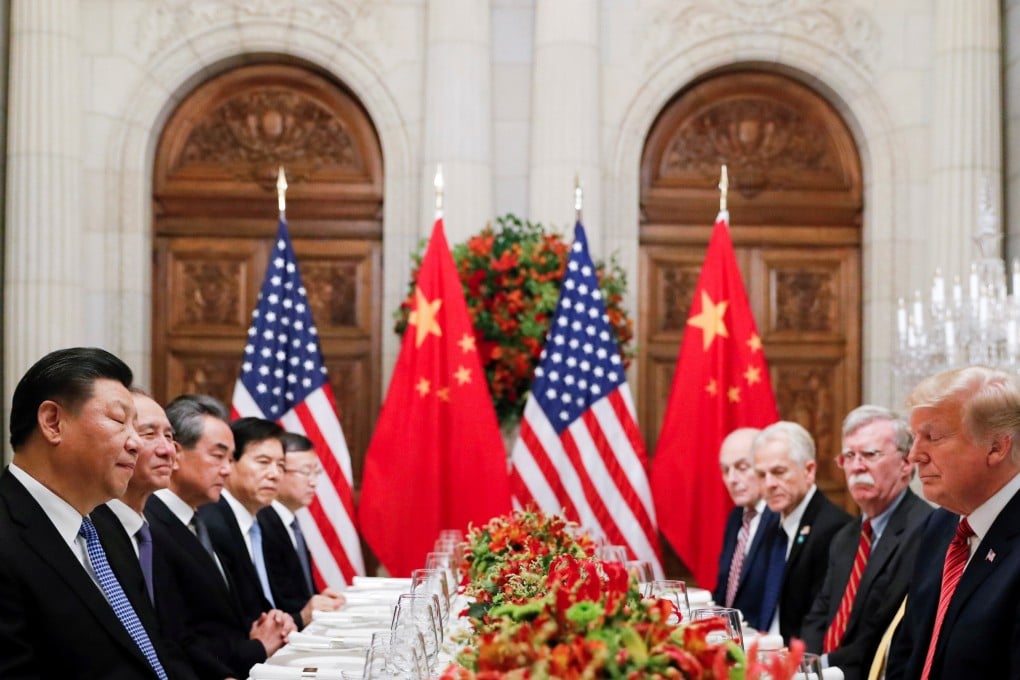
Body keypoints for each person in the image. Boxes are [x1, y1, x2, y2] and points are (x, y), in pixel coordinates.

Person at [0, 347, 174, 678]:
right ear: (53, 422)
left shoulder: (105, 525)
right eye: (120, 420)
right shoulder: (8, 538)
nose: (136, 443)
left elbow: (149, 648)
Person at [886, 366, 1020, 680]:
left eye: (932, 437)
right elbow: (909, 649)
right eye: (914, 439)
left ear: (997, 447)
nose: (915, 455)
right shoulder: (939, 525)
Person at [146, 394, 291, 679]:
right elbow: (177, 636)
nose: (227, 469)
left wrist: (273, 621)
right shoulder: (150, 526)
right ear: (175, 454)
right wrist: (257, 648)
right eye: (217, 455)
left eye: (230, 458)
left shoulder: (199, 519)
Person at [801, 406, 931, 680]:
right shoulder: (846, 536)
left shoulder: (925, 531)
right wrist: (806, 666)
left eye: (870, 455)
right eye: (849, 456)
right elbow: (819, 615)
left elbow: (880, 633)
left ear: (906, 462)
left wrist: (819, 669)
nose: (857, 466)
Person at [754, 420, 852, 643]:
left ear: (809, 471)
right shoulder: (770, 521)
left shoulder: (834, 528)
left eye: (779, 472)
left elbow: (821, 620)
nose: (769, 484)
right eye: (761, 475)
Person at [198, 417, 297, 628]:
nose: (274, 474)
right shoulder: (212, 522)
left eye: (280, 466)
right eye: (263, 462)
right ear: (230, 463)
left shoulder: (265, 520)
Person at [258, 431, 345, 628]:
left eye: (316, 473)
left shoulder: (289, 519)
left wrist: (317, 600)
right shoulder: (262, 523)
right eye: (306, 472)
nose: (313, 482)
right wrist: (304, 611)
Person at [712, 427, 778, 630]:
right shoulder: (736, 517)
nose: (731, 479)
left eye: (742, 467)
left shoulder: (780, 519)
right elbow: (723, 592)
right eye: (725, 470)